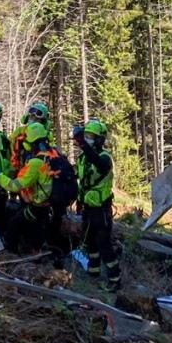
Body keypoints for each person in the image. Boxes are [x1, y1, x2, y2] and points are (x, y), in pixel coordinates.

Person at [0, 122, 56, 253]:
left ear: (30, 143)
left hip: (38, 207)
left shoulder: (35, 163)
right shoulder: (54, 156)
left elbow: (15, 186)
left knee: (13, 226)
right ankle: (37, 254)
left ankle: (11, 255)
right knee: (35, 233)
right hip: (49, 206)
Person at [74, 119, 120, 288]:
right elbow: (81, 180)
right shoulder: (82, 158)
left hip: (101, 209)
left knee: (104, 244)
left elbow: (99, 165)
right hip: (88, 207)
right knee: (89, 242)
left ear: (100, 139)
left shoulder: (104, 158)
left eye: (91, 136)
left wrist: (83, 144)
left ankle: (115, 280)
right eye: (86, 136)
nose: (87, 139)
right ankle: (93, 272)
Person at [9, 102, 53, 173]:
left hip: (39, 170)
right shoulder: (20, 131)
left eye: (37, 119)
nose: (33, 120)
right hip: (20, 169)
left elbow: (51, 153)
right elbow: (9, 143)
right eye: (31, 117)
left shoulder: (46, 135)